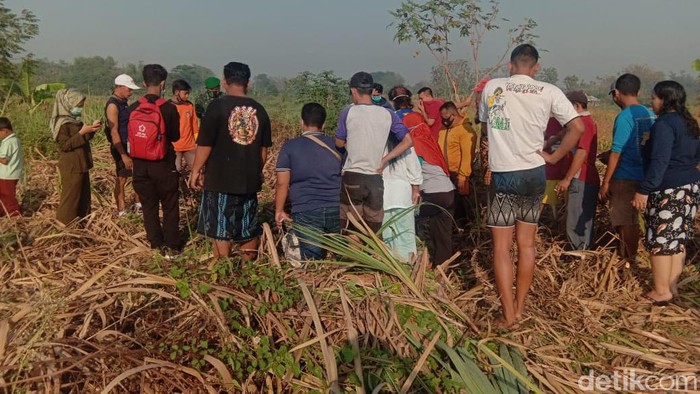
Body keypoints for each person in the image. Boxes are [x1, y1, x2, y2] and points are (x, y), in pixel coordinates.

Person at [479, 44, 584, 328]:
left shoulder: (493, 87)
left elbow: (485, 128)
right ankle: (520, 309)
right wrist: (554, 156)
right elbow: (578, 128)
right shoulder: (548, 91)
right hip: (535, 174)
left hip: (504, 176)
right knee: (526, 245)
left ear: (510, 66)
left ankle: (508, 315)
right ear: (536, 68)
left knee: (502, 249)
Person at [190, 62, 272, 260]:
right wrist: (255, 172)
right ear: (248, 83)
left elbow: (205, 144)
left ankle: (224, 271)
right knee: (248, 228)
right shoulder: (259, 110)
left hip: (220, 180)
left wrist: (196, 171)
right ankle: (247, 270)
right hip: (249, 181)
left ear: (225, 81)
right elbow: (263, 151)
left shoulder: (217, 106)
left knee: (221, 229)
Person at [631, 81, 700, 305]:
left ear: (664, 99)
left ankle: (661, 292)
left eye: (654, 98)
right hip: (689, 186)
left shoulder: (663, 124)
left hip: (668, 188)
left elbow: (659, 162)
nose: (652, 102)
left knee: (660, 240)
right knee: (677, 239)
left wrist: (644, 190)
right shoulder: (688, 123)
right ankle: (671, 288)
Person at [335, 72, 413, 237]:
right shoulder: (388, 114)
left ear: (354, 91)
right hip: (375, 178)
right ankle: (371, 259)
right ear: (371, 91)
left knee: (352, 227)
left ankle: (353, 260)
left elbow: (339, 143)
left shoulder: (348, 112)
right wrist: (385, 159)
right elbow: (408, 141)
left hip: (352, 176)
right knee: (373, 228)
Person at [389, 86, 454, 266]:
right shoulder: (428, 139)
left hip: (432, 194)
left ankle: (409, 261)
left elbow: (413, 173)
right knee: (442, 232)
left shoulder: (410, 145)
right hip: (448, 191)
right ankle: (443, 268)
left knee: (403, 217)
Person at [599, 74, 655, 261]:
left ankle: (628, 259)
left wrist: (606, 182)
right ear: (638, 92)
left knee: (625, 222)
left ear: (616, 93)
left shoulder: (624, 117)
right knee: (637, 220)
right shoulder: (650, 114)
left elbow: (617, 153)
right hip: (646, 176)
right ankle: (635, 256)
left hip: (625, 176)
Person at [275, 103, 342, 260]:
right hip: (337, 207)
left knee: (312, 260)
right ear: (324, 124)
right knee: (343, 258)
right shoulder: (337, 146)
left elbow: (282, 183)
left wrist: (279, 210)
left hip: (306, 209)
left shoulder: (290, 147)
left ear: (301, 122)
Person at [128, 64, 181, 256]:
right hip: (163, 166)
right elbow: (175, 137)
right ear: (163, 83)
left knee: (149, 206)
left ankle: (155, 244)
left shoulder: (134, 107)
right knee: (170, 205)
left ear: (144, 82)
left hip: (140, 167)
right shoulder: (168, 109)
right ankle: (172, 246)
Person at [554, 91, 600, 250]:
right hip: (584, 178)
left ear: (576, 106)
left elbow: (582, 152)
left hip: (582, 178)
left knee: (576, 224)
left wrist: (567, 179)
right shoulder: (581, 122)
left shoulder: (583, 123)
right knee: (581, 221)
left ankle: (578, 257)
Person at [51, 89, 102, 225]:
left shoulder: (74, 121)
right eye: (78, 105)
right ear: (68, 103)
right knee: (70, 199)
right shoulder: (62, 124)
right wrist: (81, 133)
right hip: (72, 165)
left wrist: (91, 130)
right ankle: (65, 228)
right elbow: (65, 146)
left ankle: (81, 225)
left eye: (81, 105)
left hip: (81, 163)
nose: (79, 108)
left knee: (83, 197)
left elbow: (81, 139)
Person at [105, 74, 141, 217]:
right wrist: (123, 155)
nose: (130, 92)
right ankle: (121, 211)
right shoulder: (113, 105)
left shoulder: (124, 102)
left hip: (131, 143)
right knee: (122, 178)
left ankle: (138, 205)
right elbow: (114, 132)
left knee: (136, 175)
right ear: (119, 87)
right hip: (120, 146)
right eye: (128, 89)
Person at [381, 137, 422, 262]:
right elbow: (414, 169)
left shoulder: (376, 143)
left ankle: (391, 268)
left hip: (383, 197)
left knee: (387, 237)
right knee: (406, 236)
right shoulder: (406, 146)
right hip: (403, 196)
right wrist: (416, 189)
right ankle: (408, 266)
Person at [438, 101, 478, 225]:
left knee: (462, 207)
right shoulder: (444, 129)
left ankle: (464, 230)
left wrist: (462, 177)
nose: (444, 121)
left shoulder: (465, 131)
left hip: (458, 175)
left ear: (454, 115)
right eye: (442, 118)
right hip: (445, 174)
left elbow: (467, 156)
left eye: (447, 118)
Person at [541, 118, 573, 218]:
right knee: (541, 203)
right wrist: (558, 137)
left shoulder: (573, 123)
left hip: (567, 172)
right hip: (549, 172)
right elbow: (537, 145)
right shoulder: (547, 122)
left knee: (570, 207)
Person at [170, 79, 199, 178]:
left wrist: (197, 142)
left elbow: (194, 126)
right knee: (175, 171)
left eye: (188, 93)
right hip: (174, 147)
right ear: (177, 92)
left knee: (197, 169)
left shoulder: (189, 106)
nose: (187, 96)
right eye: (185, 93)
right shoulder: (168, 106)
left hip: (190, 146)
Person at [0, 117, 22, 217]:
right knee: (3, 196)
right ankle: (4, 213)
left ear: (5, 131)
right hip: (10, 173)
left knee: (8, 197)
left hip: (7, 174)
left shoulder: (9, 142)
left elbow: (4, 160)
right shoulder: (14, 140)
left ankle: (15, 216)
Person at [472, 78, 492, 187]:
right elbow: (477, 119)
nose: (477, 101)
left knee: (489, 180)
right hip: (486, 149)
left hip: (491, 151)